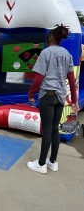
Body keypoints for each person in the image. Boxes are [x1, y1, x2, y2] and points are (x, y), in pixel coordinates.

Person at [27, 24, 79, 174]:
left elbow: (39, 77)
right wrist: (74, 101)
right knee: (55, 129)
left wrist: (31, 93)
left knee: (47, 130)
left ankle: (41, 164)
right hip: (61, 96)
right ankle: (52, 162)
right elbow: (71, 80)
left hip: (48, 96)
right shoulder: (67, 55)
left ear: (50, 37)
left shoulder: (46, 53)